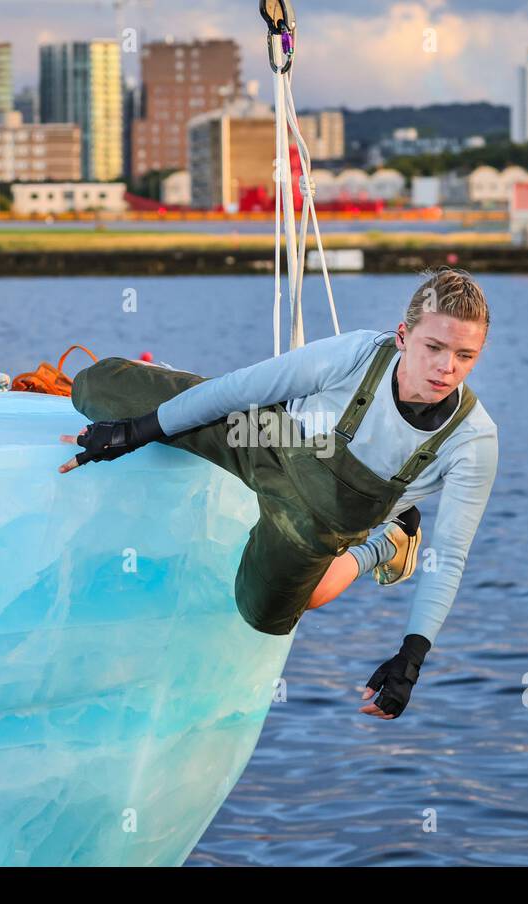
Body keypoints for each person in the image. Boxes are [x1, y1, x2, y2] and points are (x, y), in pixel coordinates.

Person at [60, 267, 499, 719]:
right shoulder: (359, 353)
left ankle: (388, 540)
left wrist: (411, 658)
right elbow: (237, 388)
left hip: (321, 520)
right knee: (94, 386)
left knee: (264, 614)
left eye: (465, 355)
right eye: (435, 347)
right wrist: (133, 433)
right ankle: (153, 401)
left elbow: (450, 557)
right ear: (404, 336)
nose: (447, 368)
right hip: (266, 435)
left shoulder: (473, 442)